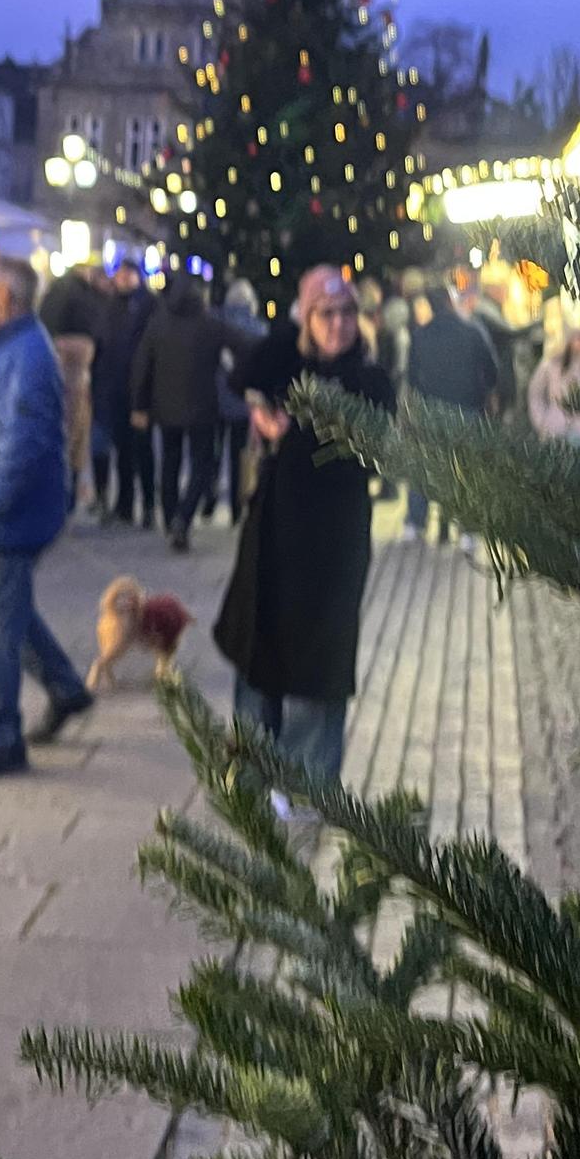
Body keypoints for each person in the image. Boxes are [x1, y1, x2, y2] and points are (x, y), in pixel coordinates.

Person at [214, 263, 394, 785]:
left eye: (345, 313)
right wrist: (292, 331)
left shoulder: (371, 379)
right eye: (324, 314)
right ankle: (250, 769)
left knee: (319, 667)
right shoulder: (292, 362)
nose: (337, 324)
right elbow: (242, 374)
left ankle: (308, 784)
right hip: (272, 538)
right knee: (258, 652)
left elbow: (351, 450)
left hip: (330, 548)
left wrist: (286, 431)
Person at [0, 258, 92, 778]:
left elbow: (23, 447)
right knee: (9, 612)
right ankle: (67, 688)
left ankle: (1, 735)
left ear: (3, 297)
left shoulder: (24, 355)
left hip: (10, 516)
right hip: (5, 512)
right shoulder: (10, 348)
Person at [130, 270, 228, 549]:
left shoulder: (158, 324)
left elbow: (142, 366)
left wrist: (140, 405)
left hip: (166, 407)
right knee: (201, 465)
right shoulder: (208, 324)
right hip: (202, 408)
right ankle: (182, 519)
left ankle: (171, 514)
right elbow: (240, 346)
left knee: (170, 463)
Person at [403, 280, 498, 541]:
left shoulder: (420, 336)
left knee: (424, 468)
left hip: (431, 410)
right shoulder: (472, 331)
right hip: (467, 409)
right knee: (465, 470)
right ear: (450, 300)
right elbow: (491, 372)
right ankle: (467, 529)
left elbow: (411, 378)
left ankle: (415, 523)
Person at [95, 256, 156, 527]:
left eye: (126, 274)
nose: (121, 278)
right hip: (114, 388)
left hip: (140, 390)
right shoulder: (110, 305)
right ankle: (125, 504)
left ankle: (150, 506)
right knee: (122, 449)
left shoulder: (147, 304)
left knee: (142, 450)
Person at [38, 265, 102, 511]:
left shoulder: (54, 297)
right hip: (78, 376)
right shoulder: (86, 302)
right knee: (77, 437)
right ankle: (69, 495)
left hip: (56, 370)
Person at [213, 279, 262, 526]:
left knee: (212, 453)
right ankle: (235, 506)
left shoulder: (217, 324)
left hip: (217, 398)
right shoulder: (258, 329)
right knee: (238, 455)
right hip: (244, 402)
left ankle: (208, 499)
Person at [527, 326, 580, 446]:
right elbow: (535, 394)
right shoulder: (551, 362)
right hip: (555, 425)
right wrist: (540, 421)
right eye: (578, 337)